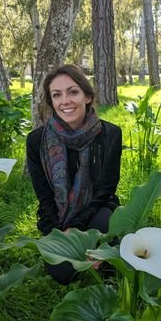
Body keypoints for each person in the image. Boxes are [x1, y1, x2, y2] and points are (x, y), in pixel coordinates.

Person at [26, 64, 122, 284]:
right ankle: (99, 252)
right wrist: (60, 233)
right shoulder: (36, 141)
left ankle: (106, 250)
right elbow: (45, 197)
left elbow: (105, 190)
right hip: (58, 215)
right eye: (57, 95)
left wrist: (77, 229)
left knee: (101, 254)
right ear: (51, 102)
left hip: (98, 207)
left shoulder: (110, 134)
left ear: (87, 96)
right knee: (62, 273)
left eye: (73, 92)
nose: (65, 101)